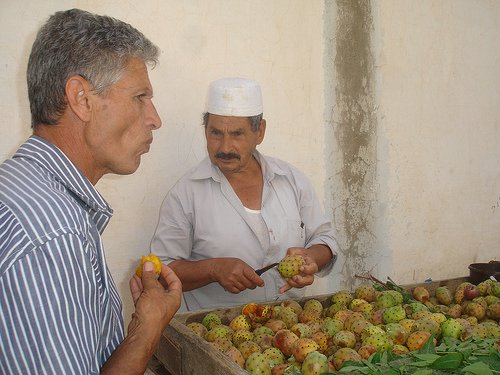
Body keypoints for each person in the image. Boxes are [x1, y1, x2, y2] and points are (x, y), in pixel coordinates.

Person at [0, 9, 182, 374]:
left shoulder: (22, 187)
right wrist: (147, 329)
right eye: (140, 97)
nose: (155, 118)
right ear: (81, 98)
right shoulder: (53, 235)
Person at [151, 77, 338, 311]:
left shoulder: (291, 180)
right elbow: (161, 270)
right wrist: (213, 269)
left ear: (259, 132)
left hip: (291, 327)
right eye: (216, 133)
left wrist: (311, 259)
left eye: (237, 134)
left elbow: (325, 240)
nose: (225, 147)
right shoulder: (185, 194)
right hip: (218, 334)